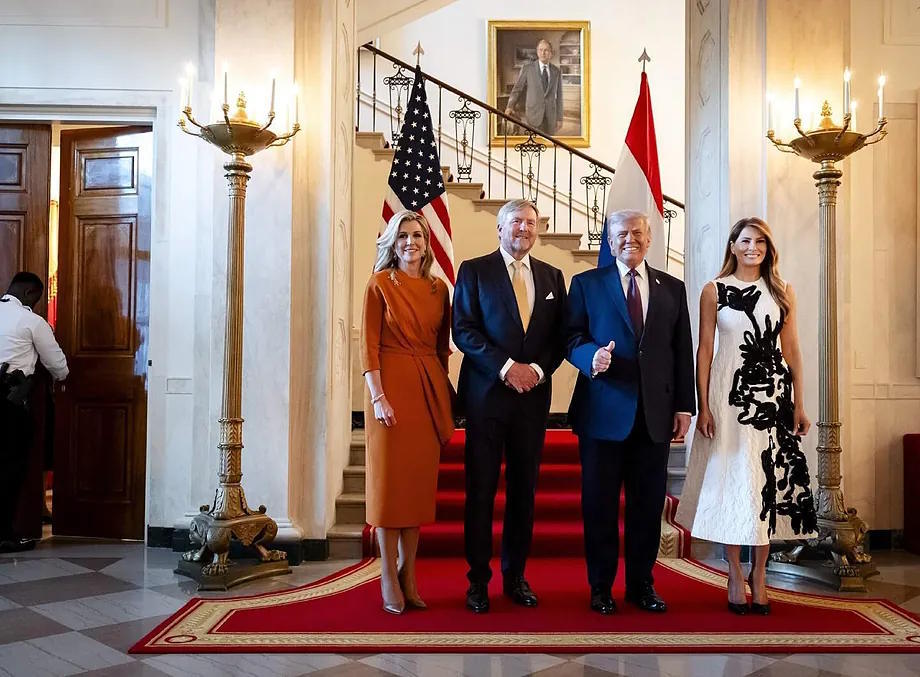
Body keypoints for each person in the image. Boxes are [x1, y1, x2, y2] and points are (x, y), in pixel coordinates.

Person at [676, 217, 817, 616]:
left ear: (768, 248)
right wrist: (703, 404)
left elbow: (793, 351)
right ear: (733, 246)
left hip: (772, 398)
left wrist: (800, 404)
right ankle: (735, 572)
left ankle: (760, 573)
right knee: (732, 482)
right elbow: (704, 350)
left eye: (760, 241)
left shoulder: (782, 290)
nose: (753, 247)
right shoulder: (713, 291)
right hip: (727, 396)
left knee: (763, 485)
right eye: (745, 240)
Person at [566, 210, 695, 615]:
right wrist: (591, 358)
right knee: (600, 506)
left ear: (649, 237)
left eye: (637, 233)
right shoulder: (586, 284)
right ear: (609, 238)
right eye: (621, 233)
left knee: (647, 506)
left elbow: (681, 350)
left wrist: (684, 407)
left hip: (654, 416)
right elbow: (570, 338)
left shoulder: (672, 288)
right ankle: (600, 587)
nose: (630, 239)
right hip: (603, 413)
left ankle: (642, 584)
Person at [452, 199, 568, 613]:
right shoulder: (474, 270)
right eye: (515, 222)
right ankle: (477, 581)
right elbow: (463, 330)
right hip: (487, 397)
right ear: (499, 229)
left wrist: (535, 369)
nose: (523, 228)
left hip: (532, 399)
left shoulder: (553, 276)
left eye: (530, 223)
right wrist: (506, 368)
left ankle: (515, 577)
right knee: (480, 492)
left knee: (525, 493)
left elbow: (560, 338)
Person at [361, 210, 454, 615]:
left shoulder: (438, 289)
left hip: (427, 390)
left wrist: (440, 395)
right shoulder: (380, 283)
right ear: (392, 242)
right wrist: (378, 396)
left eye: (417, 235)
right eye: (403, 236)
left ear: (426, 241)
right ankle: (386, 571)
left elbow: (442, 349)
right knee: (390, 485)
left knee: (416, 486)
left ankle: (409, 571)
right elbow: (368, 346)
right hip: (390, 389)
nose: (410, 242)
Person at [0, 272, 68, 552]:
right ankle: (5, 535)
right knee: (9, 470)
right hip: (9, 403)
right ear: (30, 294)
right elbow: (59, 367)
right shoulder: (31, 321)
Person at [504, 39, 564, 136]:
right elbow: (517, 90)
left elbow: (560, 96)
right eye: (540, 50)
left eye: (546, 50)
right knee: (533, 143)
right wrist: (510, 106)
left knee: (549, 145)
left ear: (551, 53)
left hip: (550, 116)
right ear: (537, 52)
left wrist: (560, 118)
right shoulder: (527, 68)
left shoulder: (556, 71)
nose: (543, 53)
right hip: (533, 114)